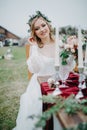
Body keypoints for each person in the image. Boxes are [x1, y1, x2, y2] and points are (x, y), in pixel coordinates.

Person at [13, 11, 74, 130]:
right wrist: (35, 47)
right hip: (40, 85)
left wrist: (72, 52)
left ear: (48, 25)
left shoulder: (60, 43)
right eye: (37, 28)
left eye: (43, 25)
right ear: (34, 32)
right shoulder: (35, 47)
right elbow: (34, 69)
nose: (42, 29)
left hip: (59, 83)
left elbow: (68, 67)